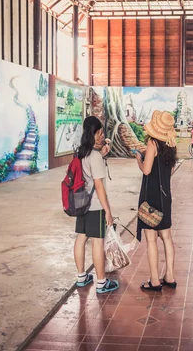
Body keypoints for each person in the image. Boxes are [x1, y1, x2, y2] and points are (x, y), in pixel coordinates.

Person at [73, 116, 119, 294]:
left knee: (81, 237)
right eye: (100, 132)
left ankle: (82, 277)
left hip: (81, 202)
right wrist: (107, 211)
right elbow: (99, 186)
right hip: (95, 205)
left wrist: (102, 153)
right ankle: (101, 282)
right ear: (94, 133)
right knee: (97, 242)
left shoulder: (81, 152)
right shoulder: (95, 157)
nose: (102, 136)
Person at [134, 111, 178, 292]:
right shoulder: (171, 145)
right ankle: (170, 276)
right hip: (165, 195)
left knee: (151, 240)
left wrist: (139, 158)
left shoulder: (152, 143)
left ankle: (154, 281)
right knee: (167, 237)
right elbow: (170, 171)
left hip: (151, 195)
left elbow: (146, 170)